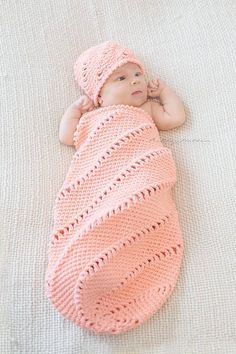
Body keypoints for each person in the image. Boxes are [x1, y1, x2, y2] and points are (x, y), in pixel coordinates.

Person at [59, 42, 186, 146]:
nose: (136, 80)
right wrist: (74, 110)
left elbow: (176, 118)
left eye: (137, 74)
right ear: (99, 97)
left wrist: (164, 92)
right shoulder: (93, 118)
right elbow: (66, 137)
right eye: (121, 78)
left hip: (145, 168)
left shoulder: (147, 109)